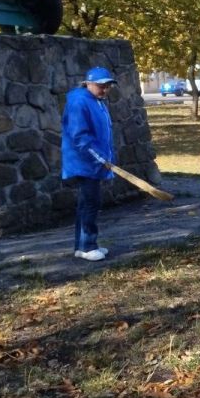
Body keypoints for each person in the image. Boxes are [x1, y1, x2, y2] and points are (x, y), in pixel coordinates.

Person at [61, 66, 117, 262]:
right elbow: (80, 136)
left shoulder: (96, 101)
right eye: (102, 86)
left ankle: (82, 245)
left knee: (87, 203)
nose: (105, 90)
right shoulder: (79, 101)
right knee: (90, 203)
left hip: (94, 161)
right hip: (84, 162)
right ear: (88, 84)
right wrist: (100, 158)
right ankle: (87, 246)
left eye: (108, 86)